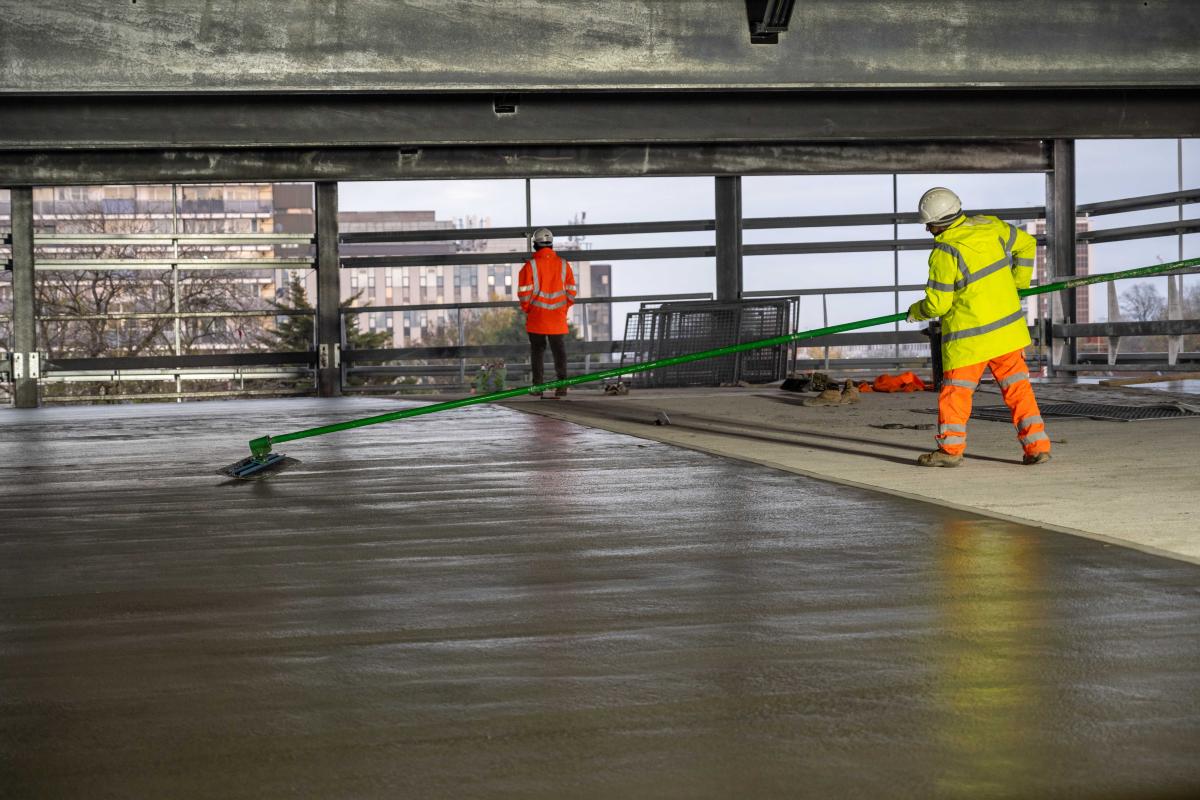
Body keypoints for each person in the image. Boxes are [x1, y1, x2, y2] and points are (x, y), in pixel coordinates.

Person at [906, 187, 1051, 467]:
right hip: (1007, 334)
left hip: (970, 341)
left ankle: (950, 451)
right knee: (1019, 390)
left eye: (929, 224)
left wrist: (915, 311)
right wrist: (1018, 285)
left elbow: (937, 305)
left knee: (956, 394)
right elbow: (1027, 244)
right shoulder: (990, 226)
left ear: (938, 223)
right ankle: (1038, 447)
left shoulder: (945, 252)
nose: (928, 229)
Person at [517, 227, 577, 398]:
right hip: (557, 317)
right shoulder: (564, 265)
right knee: (559, 351)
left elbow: (523, 293)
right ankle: (562, 386)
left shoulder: (530, 267)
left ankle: (538, 387)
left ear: (535, 245)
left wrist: (529, 309)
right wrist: (563, 309)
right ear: (551, 245)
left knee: (537, 351)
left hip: (537, 317)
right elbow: (572, 292)